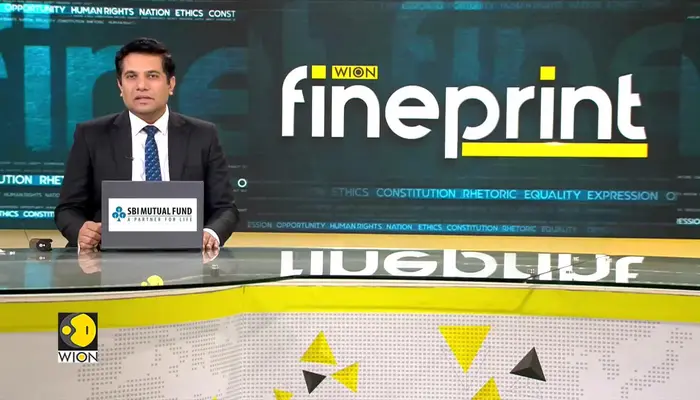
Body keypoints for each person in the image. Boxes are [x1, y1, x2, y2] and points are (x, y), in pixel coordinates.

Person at [54, 38, 239, 250]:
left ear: (171, 84)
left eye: (152, 76)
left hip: (184, 257)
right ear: (120, 86)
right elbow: (67, 209)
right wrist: (82, 231)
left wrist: (210, 234)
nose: (141, 86)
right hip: (108, 258)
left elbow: (225, 209)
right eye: (131, 76)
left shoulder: (203, 135)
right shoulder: (91, 135)